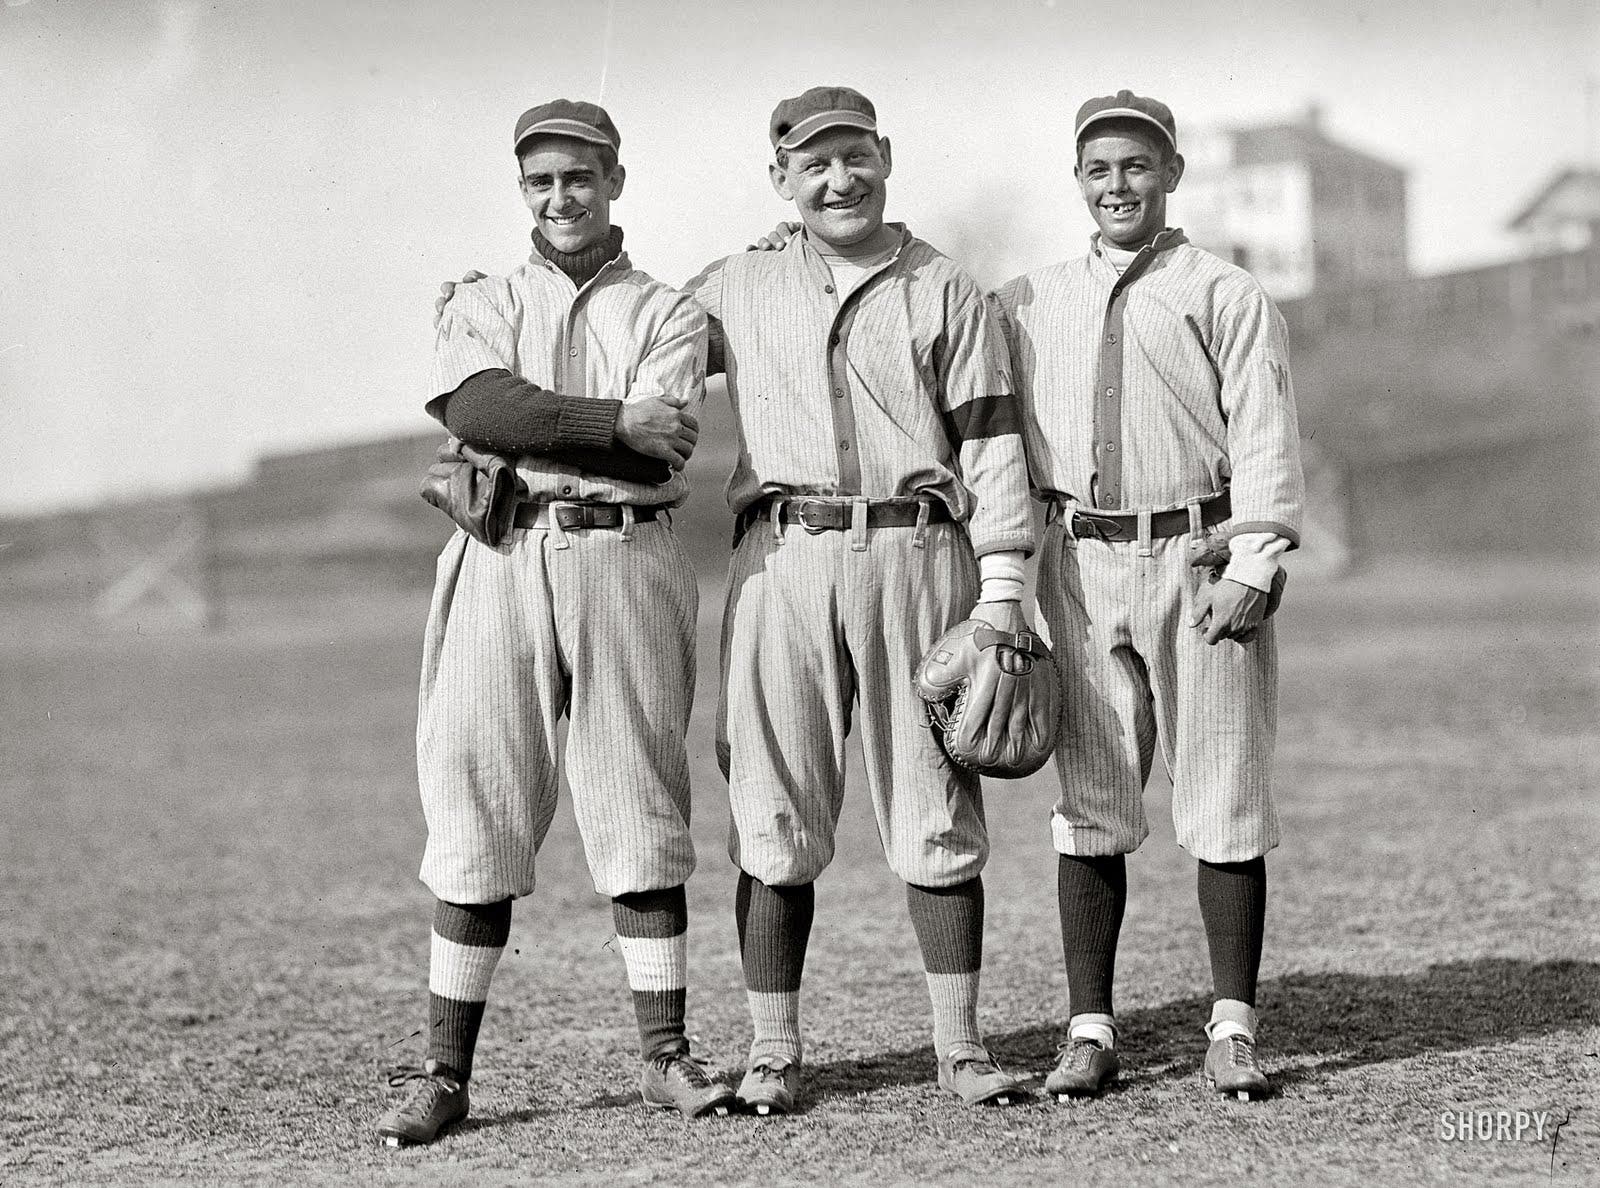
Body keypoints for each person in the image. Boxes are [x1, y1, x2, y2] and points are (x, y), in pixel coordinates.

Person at [377, 98, 733, 1147]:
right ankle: (444, 1073)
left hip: (626, 552)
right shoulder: (483, 298)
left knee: (637, 795)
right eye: (540, 181)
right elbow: (477, 409)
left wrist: (558, 425)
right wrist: (607, 418)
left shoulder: (667, 310)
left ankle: (665, 1055)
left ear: (614, 179)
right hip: (499, 554)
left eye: (579, 176)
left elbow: (659, 445)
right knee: (475, 800)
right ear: (522, 189)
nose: (560, 197)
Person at [685, 86, 1037, 1114]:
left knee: (935, 804)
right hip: (783, 557)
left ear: (884, 156)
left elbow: (993, 448)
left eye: (855, 158)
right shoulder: (736, 284)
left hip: (916, 554)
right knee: (771, 808)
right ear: (781, 180)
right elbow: (634, 345)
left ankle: (959, 1045)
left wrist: (1001, 596)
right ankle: (772, 1048)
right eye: (813, 165)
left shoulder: (944, 286)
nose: (839, 181)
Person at [992, 90, 1305, 1102]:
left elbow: (1264, 433)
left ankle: (1232, 1027)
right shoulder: (1026, 300)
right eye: (1098, 169)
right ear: (1078, 181)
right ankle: (1090, 1031)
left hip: (1198, 556)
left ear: (1170, 172)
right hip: (1079, 566)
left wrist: (1255, 563)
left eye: (1135, 165)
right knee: (1092, 803)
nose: (1116, 185)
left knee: (1222, 796)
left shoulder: (1225, 291)